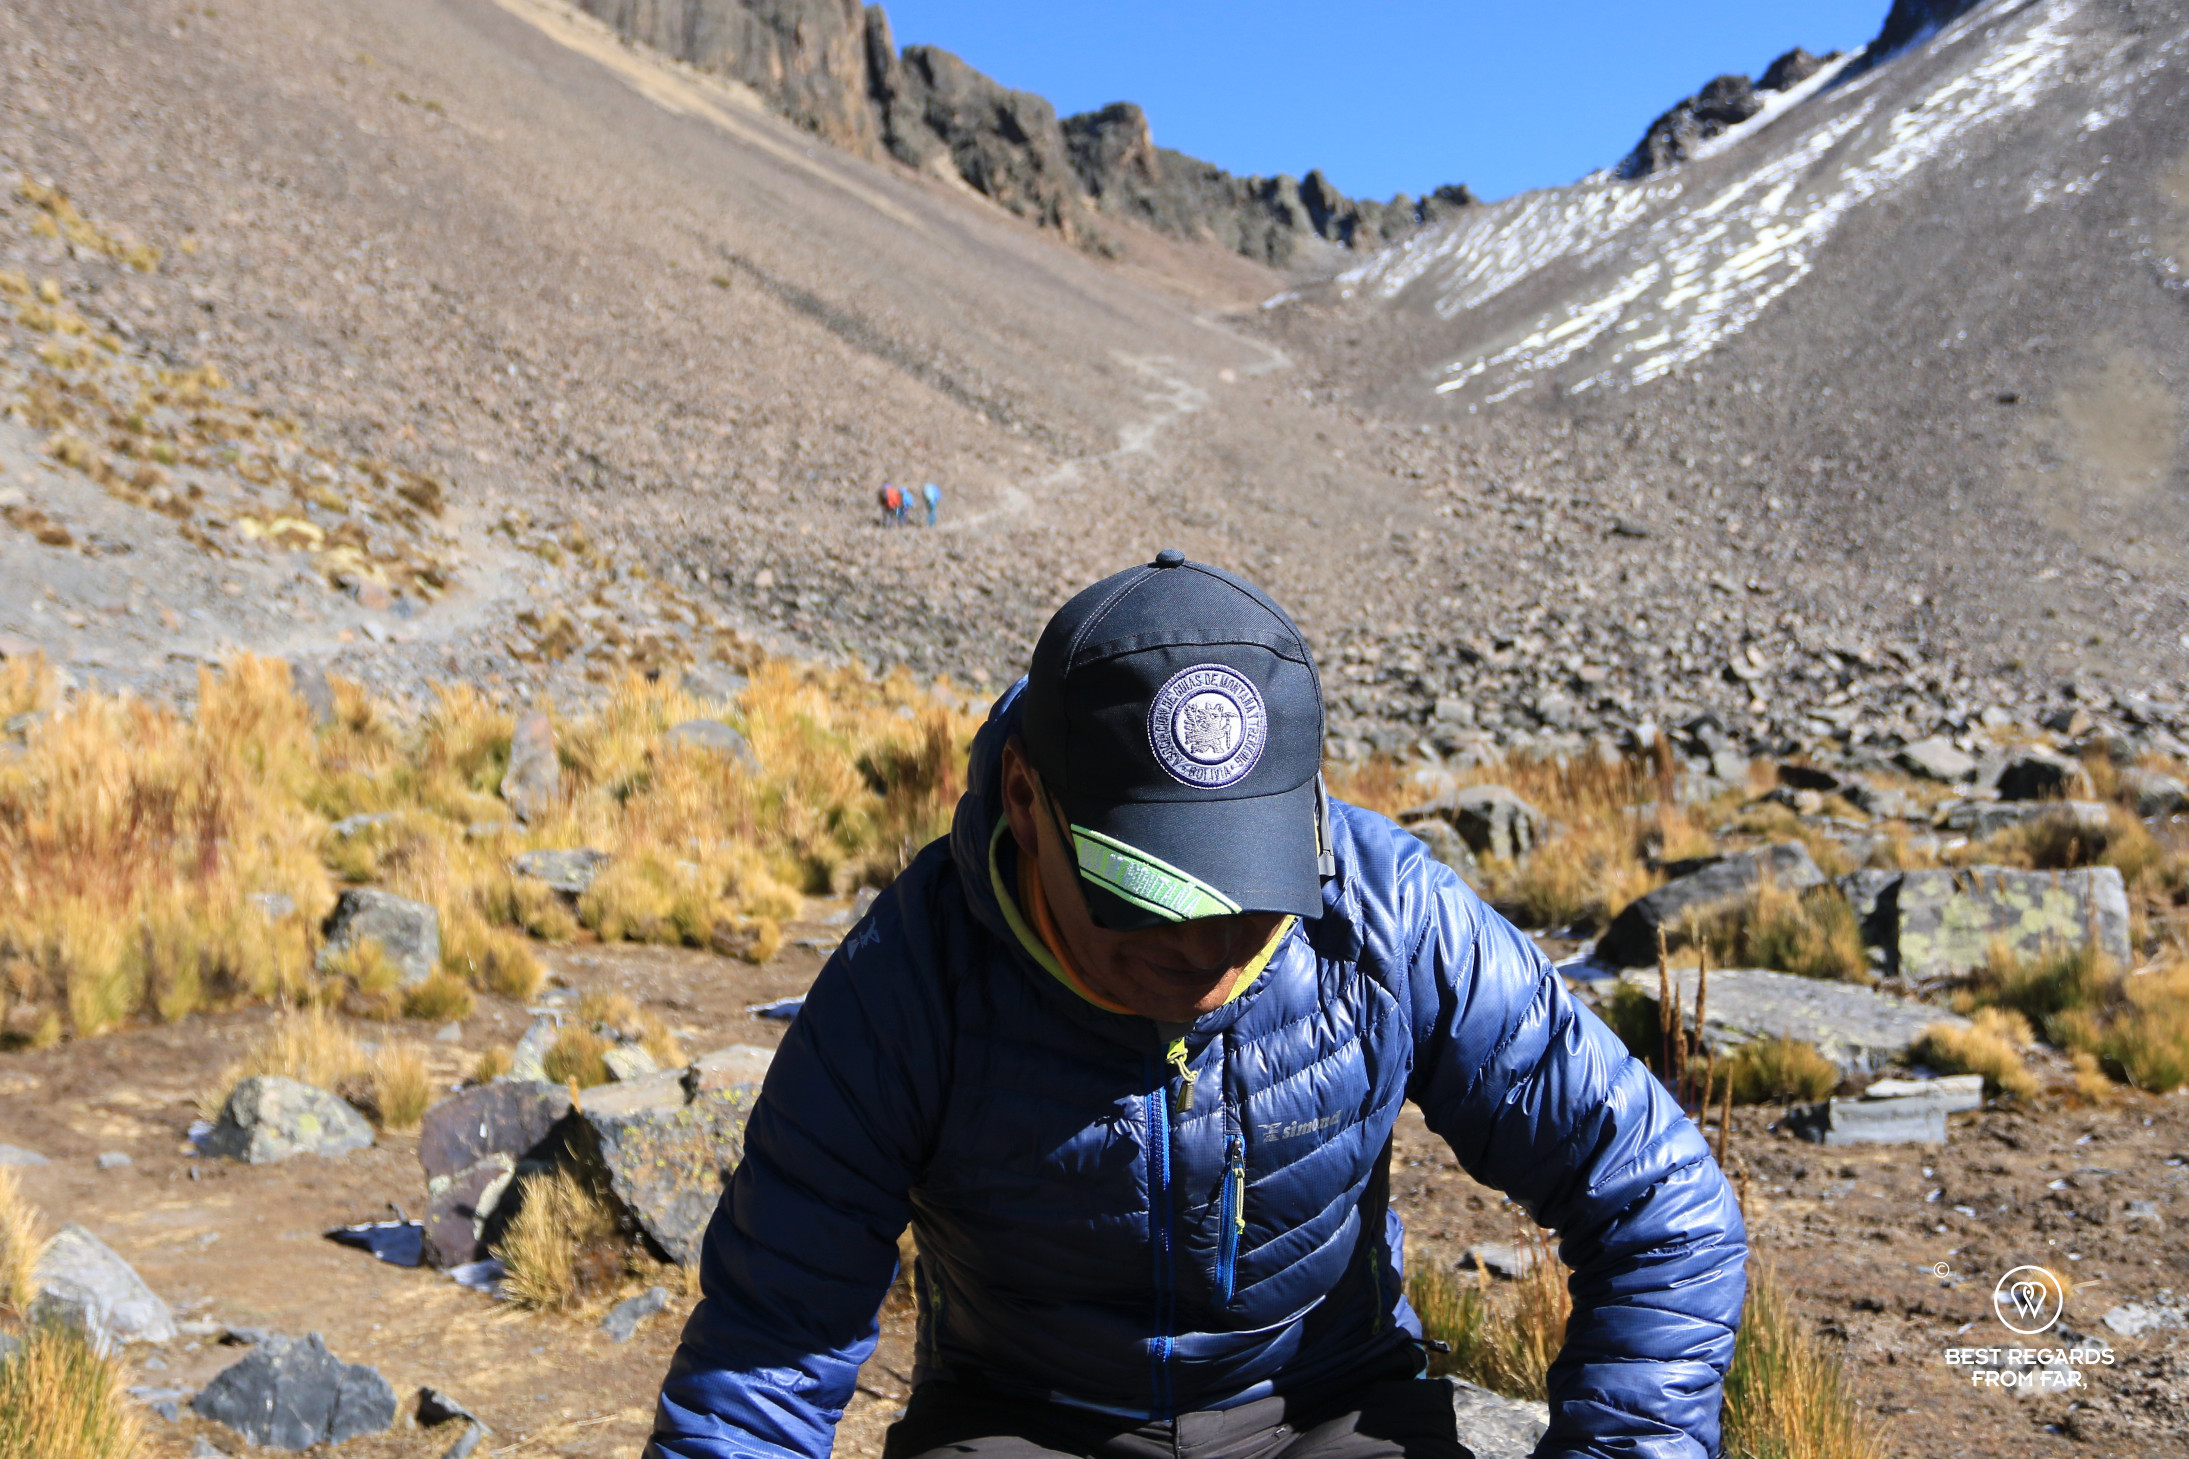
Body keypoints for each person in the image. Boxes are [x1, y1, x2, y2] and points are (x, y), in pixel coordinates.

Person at [650, 551, 1746, 1459]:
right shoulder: (911, 974)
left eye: (1246, 890)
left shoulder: (1383, 910)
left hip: (1328, 1404)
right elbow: (768, 1342)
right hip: (1023, 1423)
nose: (1205, 952)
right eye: (1147, 895)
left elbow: (1658, 1203)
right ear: (1026, 801)